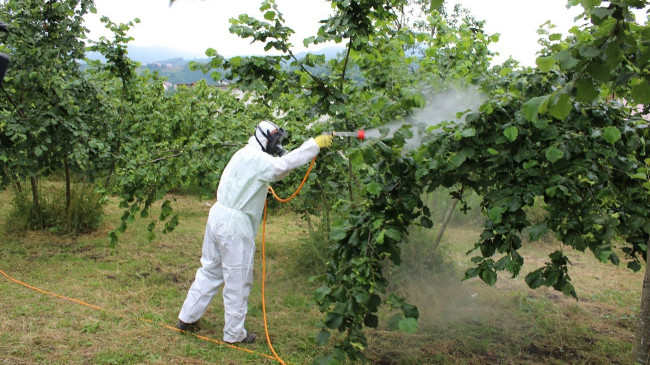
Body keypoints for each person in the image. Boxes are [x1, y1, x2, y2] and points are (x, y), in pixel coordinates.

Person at [176, 120, 333, 344]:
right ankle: (233, 334)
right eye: (274, 141)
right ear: (262, 138)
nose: (277, 145)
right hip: (234, 226)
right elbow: (284, 166)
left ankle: (186, 318)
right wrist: (314, 145)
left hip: (218, 215)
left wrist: (258, 190)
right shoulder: (258, 158)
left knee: (210, 270)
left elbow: (243, 181)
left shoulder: (243, 153)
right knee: (238, 281)